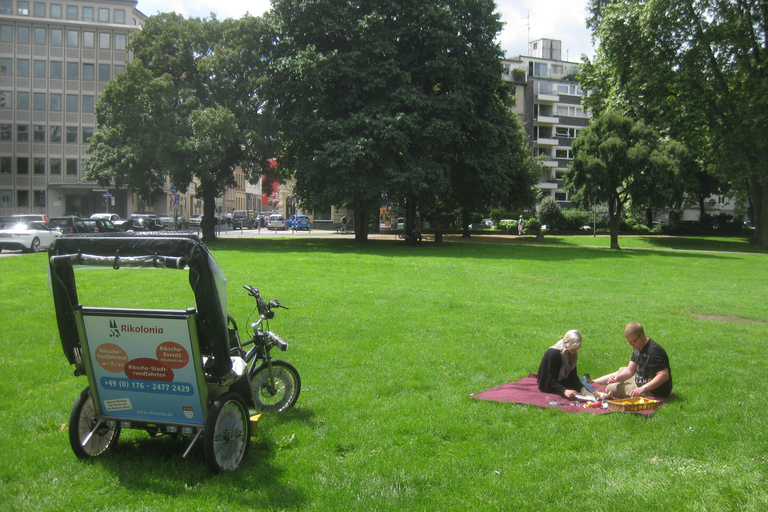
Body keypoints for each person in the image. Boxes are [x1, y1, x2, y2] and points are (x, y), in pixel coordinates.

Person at [591, 322, 672, 398]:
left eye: (632, 342)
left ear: (642, 335)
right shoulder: (638, 346)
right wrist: (617, 378)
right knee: (622, 370)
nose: (631, 344)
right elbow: (630, 370)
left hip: (653, 390)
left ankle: (594, 383)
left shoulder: (654, 351)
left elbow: (664, 375)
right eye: (629, 342)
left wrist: (644, 388)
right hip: (640, 378)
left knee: (611, 388)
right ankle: (593, 382)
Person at [537, 330, 588, 399]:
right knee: (573, 396)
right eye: (574, 347)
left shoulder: (572, 353)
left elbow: (572, 373)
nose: (576, 349)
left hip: (562, 379)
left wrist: (582, 388)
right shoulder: (554, 353)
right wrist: (564, 390)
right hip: (548, 383)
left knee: (583, 390)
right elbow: (550, 378)